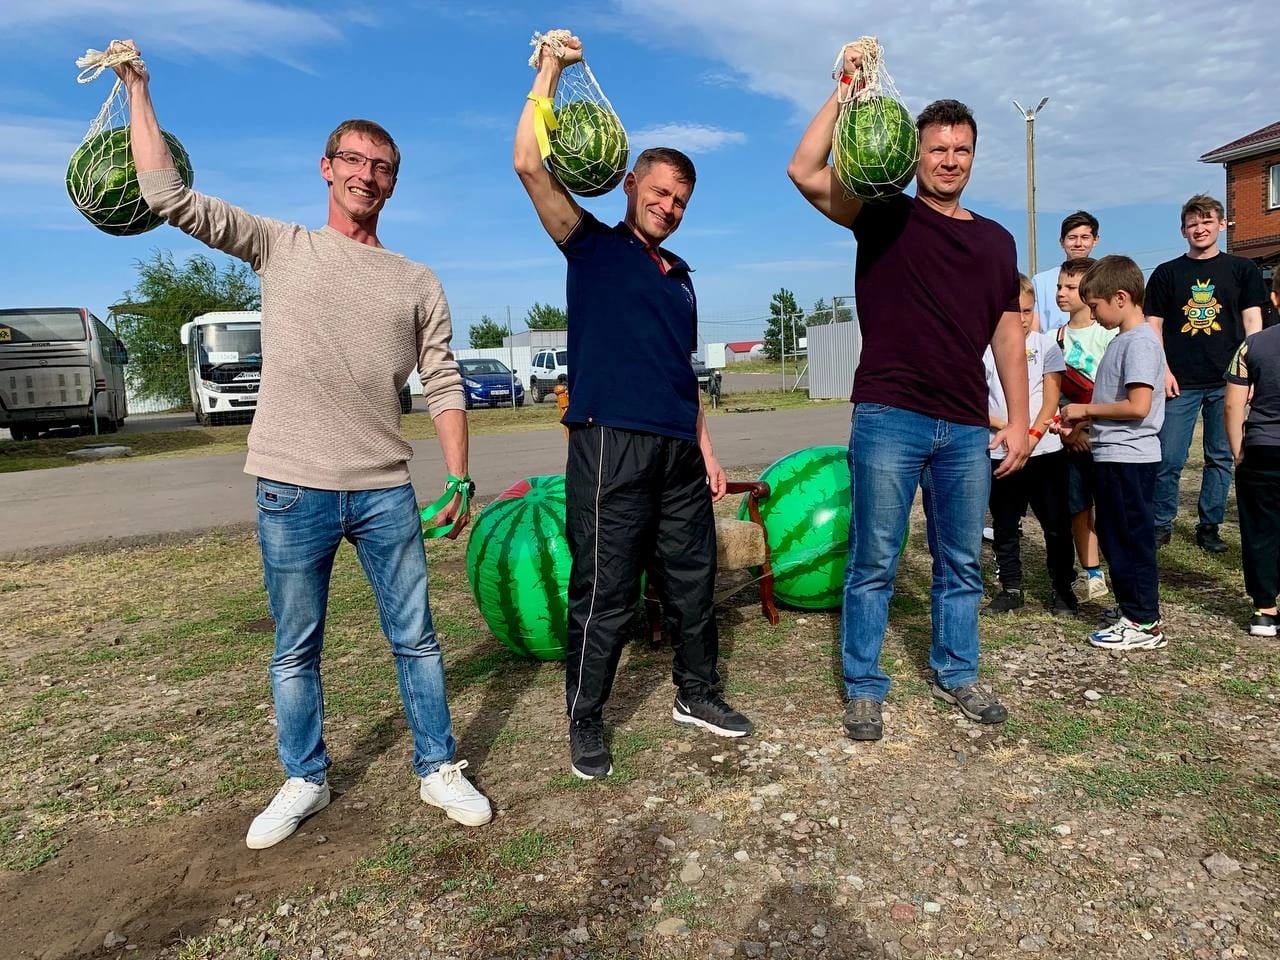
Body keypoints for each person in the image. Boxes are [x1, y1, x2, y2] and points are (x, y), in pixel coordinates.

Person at [108, 40, 492, 849]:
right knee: (296, 647)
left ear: (393, 180)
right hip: (290, 485)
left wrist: (460, 478)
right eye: (353, 160)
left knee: (417, 639)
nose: (367, 175)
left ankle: (438, 768)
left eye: (382, 166)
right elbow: (167, 194)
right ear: (326, 169)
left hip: (386, 488)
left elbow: (444, 380)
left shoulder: (418, 279)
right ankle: (305, 778)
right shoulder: (280, 244)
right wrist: (137, 88)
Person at [513, 34, 752, 782]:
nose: (669, 207)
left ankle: (697, 693)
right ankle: (586, 721)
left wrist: (706, 448)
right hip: (610, 441)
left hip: (679, 447)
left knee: (692, 578)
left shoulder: (681, 274)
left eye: (680, 200)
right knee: (607, 590)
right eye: (658, 193)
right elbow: (528, 161)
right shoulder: (590, 245)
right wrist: (550, 71)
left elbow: (681, 372)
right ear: (629, 187)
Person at [788, 44, 1030, 743]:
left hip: (963, 427)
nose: (949, 160)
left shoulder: (996, 242)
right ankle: (865, 687)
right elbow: (803, 169)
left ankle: (959, 672)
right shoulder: (884, 213)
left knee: (960, 561)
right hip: (890, 416)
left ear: (973, 156)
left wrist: (1018, 422)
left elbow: (1007, 335)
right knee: (874, 560)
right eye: (937, 149)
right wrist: (845, 89)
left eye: (960, 150)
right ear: (917, 154)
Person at [1146, 195, 1268, 552]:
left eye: (1206, 221)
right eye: (1192, 223)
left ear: (1221, 223)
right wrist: (1163, 370)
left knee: (1220, 456)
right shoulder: (1168, 273)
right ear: (1183, 229)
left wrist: (1254, 374)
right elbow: (1153, 325)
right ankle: (1160, 521)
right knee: (1169, 456)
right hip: (1180, 380)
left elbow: (1252, 324)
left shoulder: (1242, 269)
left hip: (1228, 380)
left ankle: (1209, 525)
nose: (1199, 228)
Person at [1059, 256, 1166, 650]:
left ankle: (1143, 622)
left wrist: (1084, 410)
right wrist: (1084, 424)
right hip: (1114, 454)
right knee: (1117, 535)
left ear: (1120, 298)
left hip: (1129, 459)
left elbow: (1138, 406)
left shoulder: (1138, 342)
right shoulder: (1125, 340)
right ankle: (1132, 608)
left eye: (1097, 305)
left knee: (1129, 538)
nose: (1095, 314)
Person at [983, 275, 1076, 616]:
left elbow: (1051, 399)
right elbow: (977, 403)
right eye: (1013, 311)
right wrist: (1008, 429)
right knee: (1005, 524)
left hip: (1044, 451)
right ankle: (1011, 587)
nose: (1021, 318)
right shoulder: (983, 349)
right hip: (1001, 452)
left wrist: (1031, 435)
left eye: (1027, 310)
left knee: (1056, 524)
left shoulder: (1047, 346)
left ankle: (1063, 588)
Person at [1053, 257, 1116, 603]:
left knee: (1110, 507)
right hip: (1069, 440)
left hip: (1104, 438)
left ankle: (1117, 565)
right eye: (1059, 286)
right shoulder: (1054, 337)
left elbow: (1113, 390)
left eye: (1070, 287)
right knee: (1078, 506)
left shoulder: (1109, 334)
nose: (1062, 293)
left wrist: (1089, 429)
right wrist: (1070, 433)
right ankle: (1090, 571)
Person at [1225, 268, 1280, 637]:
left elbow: (1232, 405)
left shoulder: (1251, 346)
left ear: (1273, 298)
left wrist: (1237, 451)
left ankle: (1265, 609)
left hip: (1263, 448)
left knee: (1261, 529)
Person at [1031, 211, 1100, 333]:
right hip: (1053, 348)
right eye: (1072, 238)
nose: (1078, 244)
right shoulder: (1040, 281)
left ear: (1095, 240)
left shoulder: (1105, 277)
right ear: (1062, 242)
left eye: (1085, 237)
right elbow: (1034, 329)